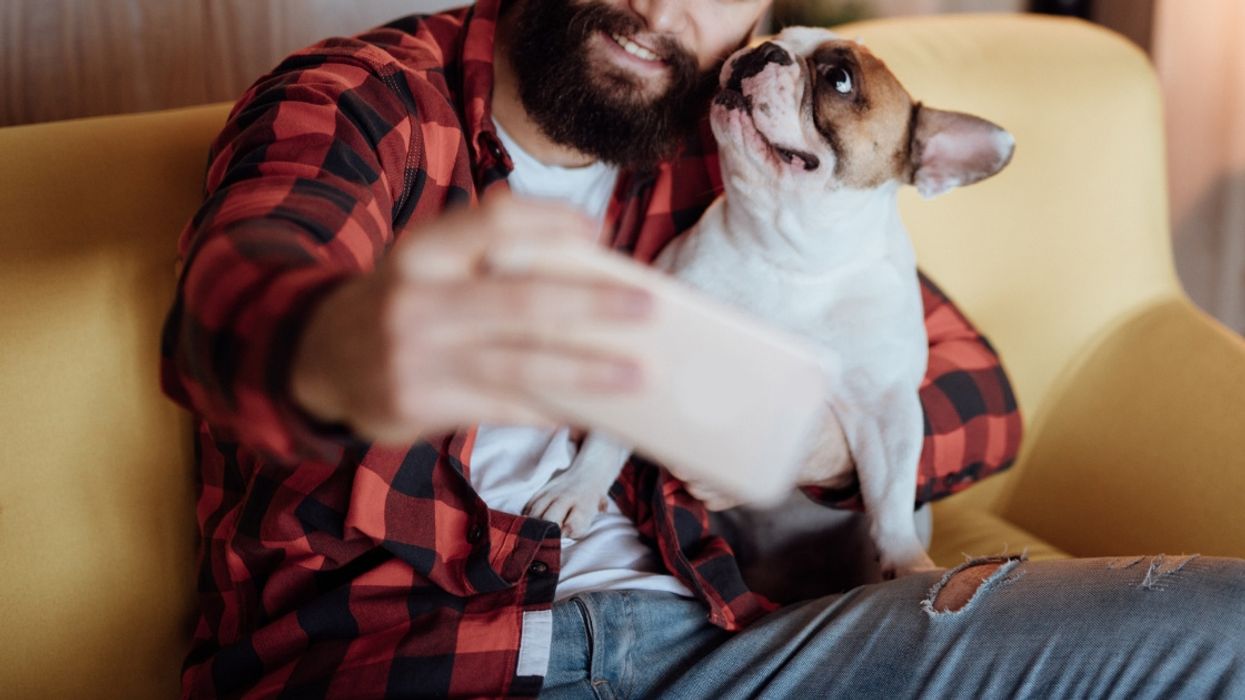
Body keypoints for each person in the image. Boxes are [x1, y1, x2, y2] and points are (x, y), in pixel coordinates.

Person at [161, 0, 1245, 697]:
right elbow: (232, 301)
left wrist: (819, 442)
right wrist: (336, 346)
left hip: (744, 645)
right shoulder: (366, 101)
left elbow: (976, 393)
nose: (659, 3)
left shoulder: (727, 141)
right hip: (435, 662)